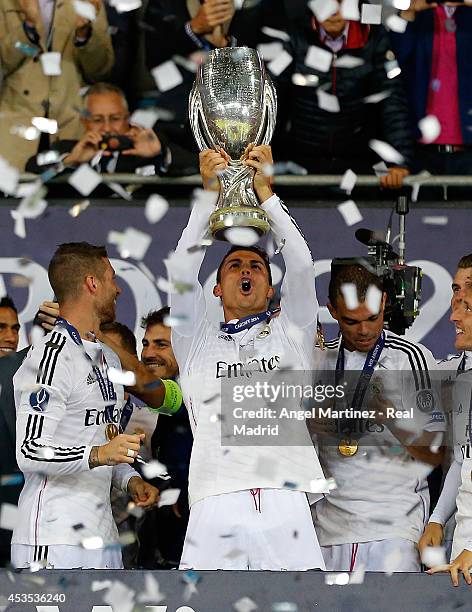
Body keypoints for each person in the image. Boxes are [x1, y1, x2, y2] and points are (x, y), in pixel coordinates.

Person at [165, 144, 328, 570]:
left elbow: (302, 265)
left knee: (303, 605)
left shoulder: (292, 334)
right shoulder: (193, 341)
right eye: (234, 265)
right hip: (214, 496)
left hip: (285, 496)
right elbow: (182, 271)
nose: (246, 270)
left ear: (271, 288)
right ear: (216, 290)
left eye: (257, 267)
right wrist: (207, 197)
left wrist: (268, 197)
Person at [10, 242, 168, 570]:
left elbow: (104, 442)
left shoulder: (107, 357)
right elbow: (29, 451)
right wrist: (99, 455)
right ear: (92, 283)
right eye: (111, 278)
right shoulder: (49, 356)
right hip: (52, 538)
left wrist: (129, 480)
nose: (118, 289)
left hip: (103, 537)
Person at [311, 263, 445, 572]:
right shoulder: (319, 360)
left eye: (372, 318)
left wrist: (395, 423)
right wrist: (307, 427)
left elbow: (438, 455)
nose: (364, 330)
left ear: (384, 302)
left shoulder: (412, 359)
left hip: (393, 529)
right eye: (351, 321)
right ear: (332, 311)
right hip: (327, 531)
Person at [273, 7, 413, 188]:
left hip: (360, 163)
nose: (332, 11)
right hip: (301, 162)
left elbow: (392, 100)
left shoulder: (374, 37)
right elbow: (271, 99)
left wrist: (398, 161)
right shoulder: (293, 35)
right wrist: (265, 159)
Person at [0, 0, 114, 170]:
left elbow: (99, 69)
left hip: (70, 126)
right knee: (14, 193)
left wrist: (84, 34)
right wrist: (28, 27)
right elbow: (4, 62)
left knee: (66, 195)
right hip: (17, 127)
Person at [418, 254, 472, 586]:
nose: (457, 300)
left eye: (470, 288)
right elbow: (464, 458)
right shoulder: (461, 372)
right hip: (463, 549)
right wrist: (437, 520)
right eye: (455, 288)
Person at [25, 82, 198, 176]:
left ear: (127, 118)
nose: (107, 128)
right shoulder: (67, 149)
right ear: (85, 122)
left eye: (115, 119)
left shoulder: (150, 149)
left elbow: (196, 167)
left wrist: (162, 154)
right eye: (97, 119)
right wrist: (70, 161)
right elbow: (31, 168)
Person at [391, 1, 472, 175]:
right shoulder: (421, 14)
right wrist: (409, 12)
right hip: (423, 149)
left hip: (468, 147)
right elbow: (394, 64)